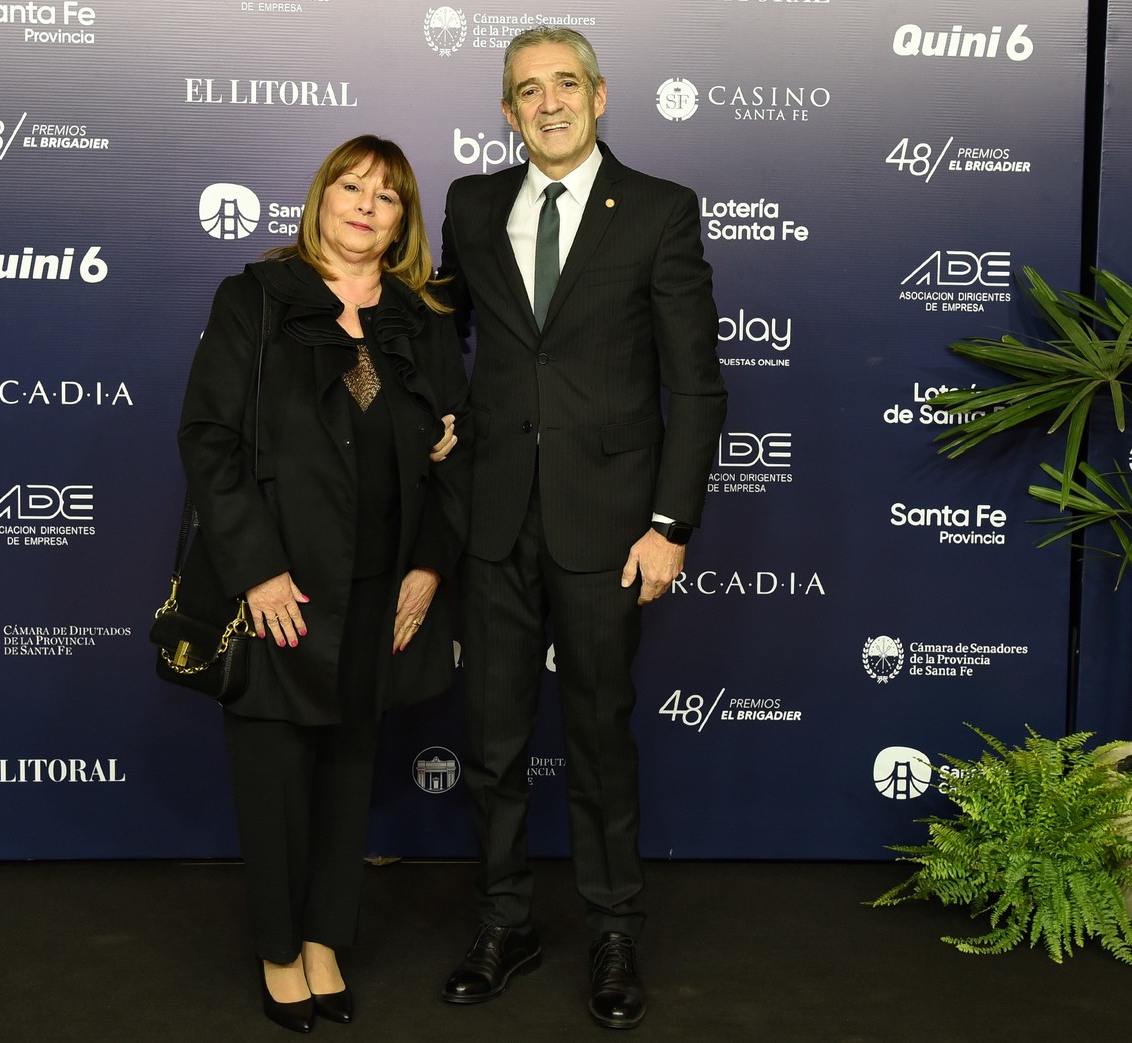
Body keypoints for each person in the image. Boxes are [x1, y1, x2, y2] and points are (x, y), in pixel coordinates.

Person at [437, 27, 727, 1030]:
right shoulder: (471, 205)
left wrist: (669, 523)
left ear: (598, 98)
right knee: (490, 738)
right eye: (527, 90)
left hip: (610, 526)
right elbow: (443, 335)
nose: (548, 103)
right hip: (492, 519)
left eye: (565, 84)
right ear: (506, 111)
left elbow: (692, 384)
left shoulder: (656, 210)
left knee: (599, 734)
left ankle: (611, 928)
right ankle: (504, 919)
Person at [178, 134, 469, 1034]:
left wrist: (427, 564)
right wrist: (256, 568)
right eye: (351, 186)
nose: (364, 205)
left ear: (401, 223)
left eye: (386, 197)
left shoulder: (421, 322)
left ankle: (325, 942)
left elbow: (452, 455)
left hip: (382, 587)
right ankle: (277, 949)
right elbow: (209, 441)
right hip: (280, 587)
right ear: (320, 197)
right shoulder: (256, 300)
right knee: (273, 780)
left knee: (349, 775)